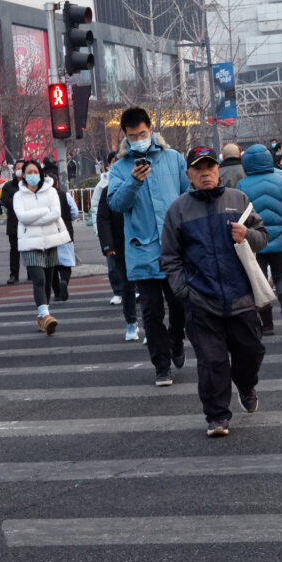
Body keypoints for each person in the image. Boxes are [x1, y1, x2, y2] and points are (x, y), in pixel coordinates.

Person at [162, 144, 272, 436]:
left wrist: (247, 234)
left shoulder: (239, 200)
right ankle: (217, 416)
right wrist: (183, 290)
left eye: (209, 167)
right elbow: (169, 257)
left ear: (217, 170)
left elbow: (263, 236)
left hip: (241, 297)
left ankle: (246, 385)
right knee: (212, 362)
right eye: (198, 169)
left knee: (251, 352)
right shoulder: (178, 210)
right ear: (189, 174)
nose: (205, 173)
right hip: (201, 301)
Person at [105, 107, 191, 386]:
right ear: (125, 137)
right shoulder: (119, 169)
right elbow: (116, 204)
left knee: (179, 306)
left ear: (151, 129)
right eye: (133, 136)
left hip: (175, 248)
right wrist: (134, 181)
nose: (139, 139)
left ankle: (177, 341)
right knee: (152, 312)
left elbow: (187, 196)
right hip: (142, 250)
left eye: (143, 133)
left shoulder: (172, 158)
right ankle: (161, 365)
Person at [235, 142, 282, 336]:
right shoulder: (280, 180)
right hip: (279, 236)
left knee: (259, 280)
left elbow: (240, 212)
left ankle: (267, 324)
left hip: (254, 239)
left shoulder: (242, 184)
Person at [13, 159, 71, 334]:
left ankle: (43, 316)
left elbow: (56, 214)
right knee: (38, 279)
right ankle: (45, 315)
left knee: (48, 279)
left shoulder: (51, 192)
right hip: (30, 243)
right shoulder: (19, 195)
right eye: (29, 172)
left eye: (35, 172)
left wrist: (35, 219)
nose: (32, 175)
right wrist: (44, 212)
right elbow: (22, 217)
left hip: (51, 241)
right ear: (23, 175)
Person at [94, 151, 140, 341]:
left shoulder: (143, 187)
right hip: (121, 247)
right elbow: (102, 219)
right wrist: (108, 245)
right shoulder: (107, 191)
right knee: (127, 288)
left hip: (144, 244)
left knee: (149, 289)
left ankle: (153, 327)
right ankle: (131, 323)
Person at [42, 159, 76, 301]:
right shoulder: (65, 195)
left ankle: (56, 292)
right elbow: (74, 212)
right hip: (66, 233)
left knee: (52, 266)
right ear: (57, 182)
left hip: (49, 236)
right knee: (66, 262)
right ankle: (64, 281)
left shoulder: (42, 198)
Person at [0, 169, 23, 284]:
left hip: (29, 222)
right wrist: (20, 201)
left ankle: (31, 273)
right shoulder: (8, 186)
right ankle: (14, 274)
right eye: (18, 167)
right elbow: (4, 200)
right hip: (14, 221)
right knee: (14, 249)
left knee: (31, 249)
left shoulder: (30, 184)